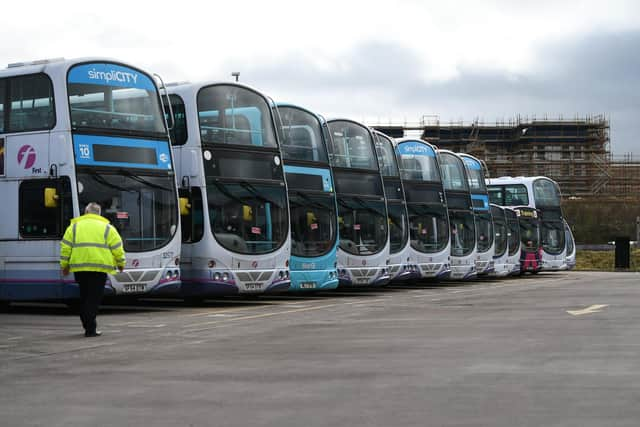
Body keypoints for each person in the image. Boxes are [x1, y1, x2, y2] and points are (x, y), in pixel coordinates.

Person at [60, 202, 126, 337]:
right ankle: (90, 328)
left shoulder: (74, 227)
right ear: (99, 213)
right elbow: (117, 248)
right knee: (93, 299)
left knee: (85, 296)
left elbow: (66, 247)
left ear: (86, 212)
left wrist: (64, 266)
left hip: (80, 268)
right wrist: (120, 263)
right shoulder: (108, 228)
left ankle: (87, 324)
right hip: (99, 268)